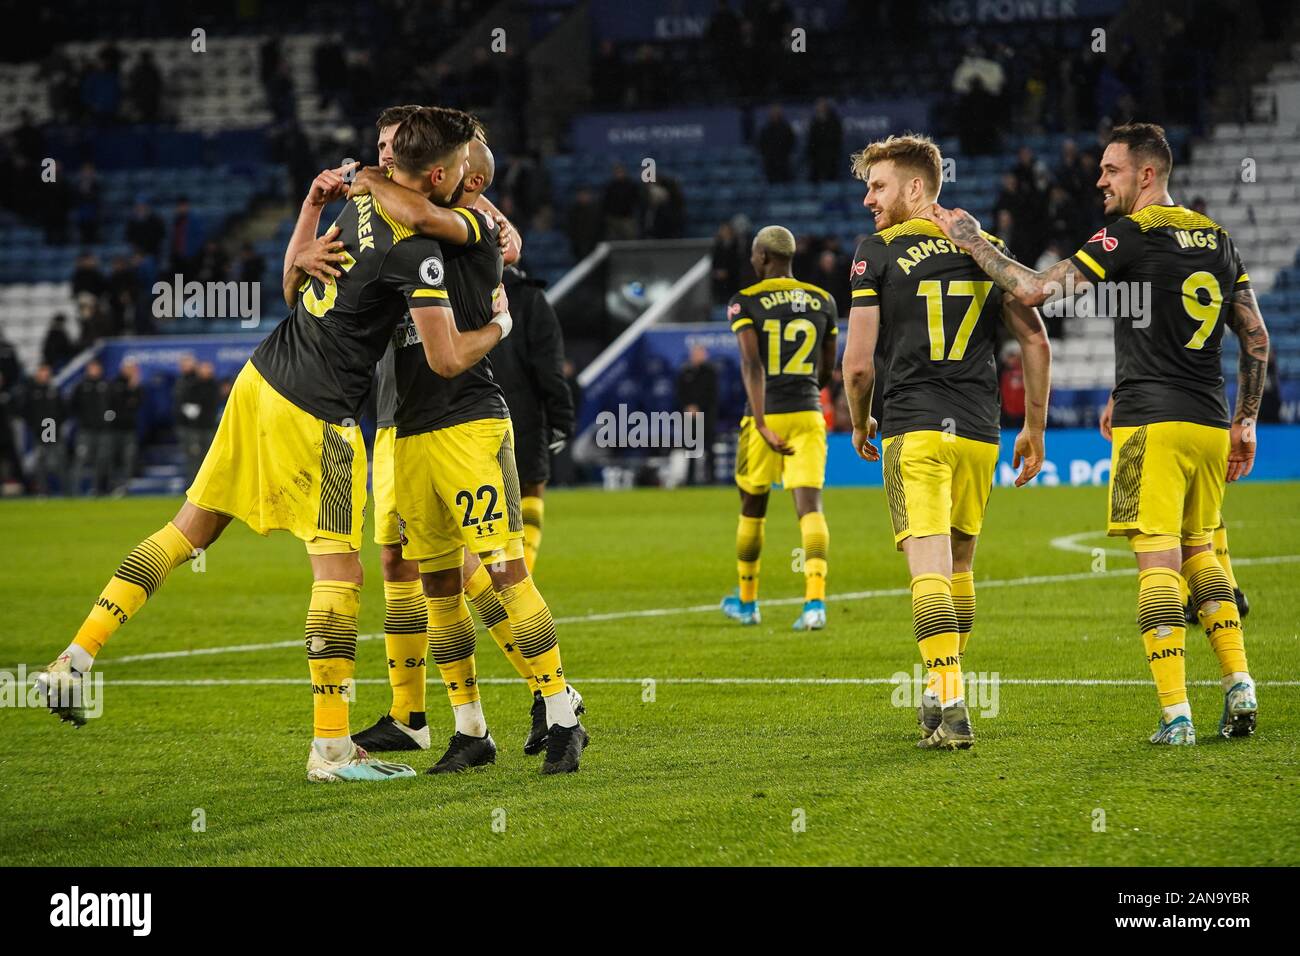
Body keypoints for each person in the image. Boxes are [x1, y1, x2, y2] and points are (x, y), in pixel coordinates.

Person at [34, 106, 482, 786]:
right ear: (440, 175)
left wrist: (308, 215)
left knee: (189, 528)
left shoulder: (356, 213)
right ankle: (331, 749)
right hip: (321, 410)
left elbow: (291, 283)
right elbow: (444, 352)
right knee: (340, 575)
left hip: (261, 378)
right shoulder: (417, 246)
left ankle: (75, 656)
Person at [931, 122, 1267, 744]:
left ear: (1146, 174)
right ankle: (1239, 686)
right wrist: (1245, 421)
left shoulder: (1129, 234)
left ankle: (1176, 715)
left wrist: (973, 239)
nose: (1099, 180)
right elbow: (1255, 338)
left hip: (1153, 427)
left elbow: (1034, 291)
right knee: (1203, 553)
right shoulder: (1217, 238)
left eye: (1110, 170)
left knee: (1158, 564)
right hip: (1209, 421)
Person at [340, 108, 589, 774]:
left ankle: (562, 710)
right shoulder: (410, 225)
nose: (393, 164)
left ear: (459, 178)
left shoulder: (472, 227)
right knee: (439, 584)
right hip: (410, 428)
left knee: (505, 571)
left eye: (405, 157)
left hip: (468, 422)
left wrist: (364, 175)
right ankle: (469, 730)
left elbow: (430, 209)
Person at [842, 134, 1051, 750]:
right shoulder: (985, 250)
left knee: (927, 572)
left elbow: (857, 365)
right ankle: (939, 692)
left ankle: (952, 704)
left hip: (916, 428)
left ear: (915, 188)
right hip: (979, 436)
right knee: (960, 570)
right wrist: (1033, 428)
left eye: (878, 186)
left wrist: (859, 421)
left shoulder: (875, 252)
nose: (867, 200)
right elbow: (1036, 341)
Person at [720, 225, 839, 631]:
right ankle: (815, 603)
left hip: (765, 415)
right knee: (810, 509)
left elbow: (751, 364)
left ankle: (749, 602)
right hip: (808, 414)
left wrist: (762, 420)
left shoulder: (744, 302)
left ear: (765, 258)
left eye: (755, 255)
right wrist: (806, 393)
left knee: (752, 508)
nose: (752, 260)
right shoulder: (823, 300)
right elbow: (826, 369)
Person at [495, 263, 576, 565]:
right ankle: (521, 579)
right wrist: (561, 419)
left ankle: (484, 585)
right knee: (530, 487)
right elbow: (549, 367)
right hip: (522, 410)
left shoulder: (460, 288)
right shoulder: (530, 298)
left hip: (468, 411)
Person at [70, 359, 115, 496]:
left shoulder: (106, 385)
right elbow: (72, 406)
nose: (95, 370)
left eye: (97, 368)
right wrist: (83, 420)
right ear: (87, 370)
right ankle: (75, 491)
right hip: (86, 430)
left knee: (101, 460)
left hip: (103, 430)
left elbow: (114, 405)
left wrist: (110, 418)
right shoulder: (81, 386)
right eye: (92, 368)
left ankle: (97, 490)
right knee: (81, 459)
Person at [676, 344, 718, 486]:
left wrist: (699, 407)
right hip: (690, 415)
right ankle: (690, 478)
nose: (697, 356)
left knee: (709, 447)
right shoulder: (685, 372)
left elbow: (713, 394)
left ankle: (711, 478)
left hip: (707, 414)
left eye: (700, 353)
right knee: (691, 448)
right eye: (695, 353)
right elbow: (680, 393)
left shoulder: (711, 373)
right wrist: (688, 406)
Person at [21, 363, 66, 495]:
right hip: (40, 433)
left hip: (54, 432)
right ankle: (43, 491)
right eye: (42, 372)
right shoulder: (32, 391)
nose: (45, 375)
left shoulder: (54, 390)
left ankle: (65, 491)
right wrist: (36, 426)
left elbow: (63, 410)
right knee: (41, 464)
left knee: (58, 463)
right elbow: (25, 412)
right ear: (38, 374)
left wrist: (56, 425)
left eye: (47, 372)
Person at [109, 357, 142, 495]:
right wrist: (130, 390)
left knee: (129, 458)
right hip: (114, 428)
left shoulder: (136, 386)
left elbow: (137, 403)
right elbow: (118, 402)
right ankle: (113, 486)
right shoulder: (115, 383)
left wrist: (133, 389)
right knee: (114, 458)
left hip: (129, 428)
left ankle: (125, 487)